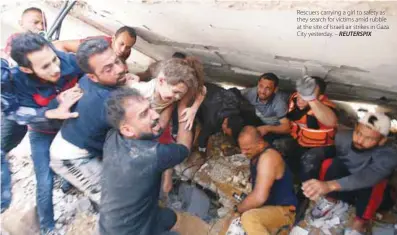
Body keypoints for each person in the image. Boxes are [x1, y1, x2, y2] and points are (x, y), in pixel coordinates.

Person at [9, 32, 85, 234]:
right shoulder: (16, 81)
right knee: (45, 181)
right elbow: (17, 114)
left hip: (68, 126)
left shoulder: (67, 60)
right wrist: (53, 110)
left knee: (75, 161)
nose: (56, 69)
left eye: (53, 59)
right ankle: (47, 227)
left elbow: (90, 74)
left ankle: (68, 183)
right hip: (41, 132)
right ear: (26, 69)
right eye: (45, 67)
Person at [98, 87, 193, 235]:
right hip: (128, 232)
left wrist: (171, 102)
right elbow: (184, 147)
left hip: (117, 222)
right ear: (128, 130)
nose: (155, 114)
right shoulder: (153, 155)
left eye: (150, 107)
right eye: (144, 114)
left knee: (170, 217)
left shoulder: (113, 136)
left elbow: (156, 126)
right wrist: (184, 107)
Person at [50, 38, 128, 205]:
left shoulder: (88, 80)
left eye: (117, 61)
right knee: (112, 199)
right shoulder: (107, 102)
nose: (120, 69)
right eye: (109, 69)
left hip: (78, 140)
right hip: (70, 157)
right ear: (92, 76)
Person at [303, 112, 396, 235]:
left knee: (378, 182)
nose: (360, 140)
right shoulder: (343, 137)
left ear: (382, 140)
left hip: (367, 195)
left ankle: (359, 224)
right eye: (358, 133)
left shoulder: (389, 155)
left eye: (369, 138)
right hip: (343, 187)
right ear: (355, 127)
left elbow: (368, 177)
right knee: (330, 162)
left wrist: (329, 185)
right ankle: (330, 203)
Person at [128, 57, 205, 193]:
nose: (177, 97)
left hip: (159, 115)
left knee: (164, 140)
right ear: (162, 81)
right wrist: (132, 80)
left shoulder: (174, 92)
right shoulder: (144, 91)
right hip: (144, 117)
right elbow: (125, 93)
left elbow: (202, 89)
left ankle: (166, 176)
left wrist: (193, 109)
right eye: (175, 93)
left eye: (180, 95)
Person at [233, 126, 297, 235]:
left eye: (247, 149)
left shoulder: (268, 158)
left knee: (249, 218)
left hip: (284, 211)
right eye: (242, 148)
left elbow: (259, 197)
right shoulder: (257, 153)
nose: (243, 153)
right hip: (268, 207)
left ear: (260, 144)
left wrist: (237, 209)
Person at [282, 71, 338, 182]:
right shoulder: (294, 98)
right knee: (280, 147)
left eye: (309, 94)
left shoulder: (325, 108)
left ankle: (306, 191)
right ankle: (287, 181)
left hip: (322, 146)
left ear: (320, 97)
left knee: (309, 159)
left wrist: (311, 99)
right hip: (300, 141)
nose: (302, 97)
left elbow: (331, 121)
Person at [196, 82, 263, 154]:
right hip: (200, 90)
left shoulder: (239, 105)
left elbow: (234, 90)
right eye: (226, 131)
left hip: (215, 90)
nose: (224, 132)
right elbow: (202, 138)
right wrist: (202, 151)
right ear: (225, 124)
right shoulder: (212, 121)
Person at [241, 73, 290, 144]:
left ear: (275, 89)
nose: (263, 91)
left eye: (268, 88)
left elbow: (287, 128)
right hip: (260, 119)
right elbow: (232, 95)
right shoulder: (250, 93)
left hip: (275, 127)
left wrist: (267, 128)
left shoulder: (279, 102)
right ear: (258, 84)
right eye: (261, 86)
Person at [54, 26, 137, 62]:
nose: (123, 50)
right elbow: (62, 44)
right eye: (121, 44)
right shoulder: (98, 44)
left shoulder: (126, 52)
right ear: (113, 39)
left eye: (128, 47)